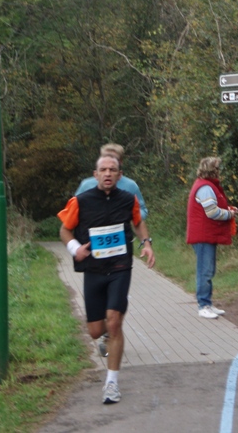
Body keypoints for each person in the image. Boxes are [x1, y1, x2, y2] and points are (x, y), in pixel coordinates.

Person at [58, 154, 155, 404]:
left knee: (114, 323)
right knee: (96, 331)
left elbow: (138, 222)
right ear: (96, 174)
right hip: (93, 269)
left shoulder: (127, 199)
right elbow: (64, 229)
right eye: (104, 170)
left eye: (113, 170)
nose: (108, 173)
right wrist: (75, 249)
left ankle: (111, 383)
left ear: (120, 175)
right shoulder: (81, 201)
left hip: (121, 266)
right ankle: (109, 319)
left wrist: (147, 244)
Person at [186, 157, 238, 319]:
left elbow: (212, 207)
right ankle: (203, 305)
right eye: (217, 168)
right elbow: (212, 212)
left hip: (206, 235)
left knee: (209, 270)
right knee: (205, 271)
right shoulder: (205, 188)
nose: (219, 171)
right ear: (211, 170)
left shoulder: (205, 186)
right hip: (203, 236)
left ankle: (207, 303)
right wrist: (230, 214)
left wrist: (227, 209)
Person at [76, 143, 148, 220]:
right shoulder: (86, 184)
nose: (109, 161)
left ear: (120, 162)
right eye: (105, 157)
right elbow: (74, 210)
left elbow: (142, 210)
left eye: (113, 159)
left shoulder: (130, 185)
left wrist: (129, 217)